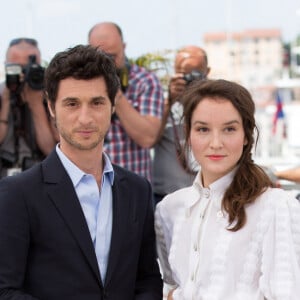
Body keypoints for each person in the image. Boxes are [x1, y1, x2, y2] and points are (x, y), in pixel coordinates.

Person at [0, 45, 163, 299]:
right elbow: (5, 289)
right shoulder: (18, 193)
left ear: (112, 107)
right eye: (72, 104)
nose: (85, 118)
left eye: (97, 102)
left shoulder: (137, 190)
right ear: (52, 107)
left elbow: (148, 280)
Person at [155, 79, 300, 299]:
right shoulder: (169, 209)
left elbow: (287, 293)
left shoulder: (276, 206)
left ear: (246, 135)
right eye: (203, 129)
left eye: (229, 129)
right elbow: (173, 286)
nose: (216, 143)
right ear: (189, 133)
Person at [88, 22, 164, 181]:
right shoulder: (81, 84)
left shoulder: (144, 80)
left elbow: (148, 138)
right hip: (91, 185)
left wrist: (113, 89)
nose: (107, 63)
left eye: (112, 56)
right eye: (101, 56)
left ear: (124, 46)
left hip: (134, 187)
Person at [152, 45, 210, 204]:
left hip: (205, 197)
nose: (190, 79)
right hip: (165, 196)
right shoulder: (160, 99)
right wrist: (169, 101)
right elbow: (149, 140)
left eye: (196, 73)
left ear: (207, 72)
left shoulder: (216, 102)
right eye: (184, 74)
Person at [0, 38, 57, 178]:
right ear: (6, 66)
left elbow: (51, 149)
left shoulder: (49, 97)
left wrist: (36, 105)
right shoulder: (1, 94)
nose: (23, 76)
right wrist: (6, 101)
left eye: (29, 69)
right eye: (17, 68)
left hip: (38, 178)